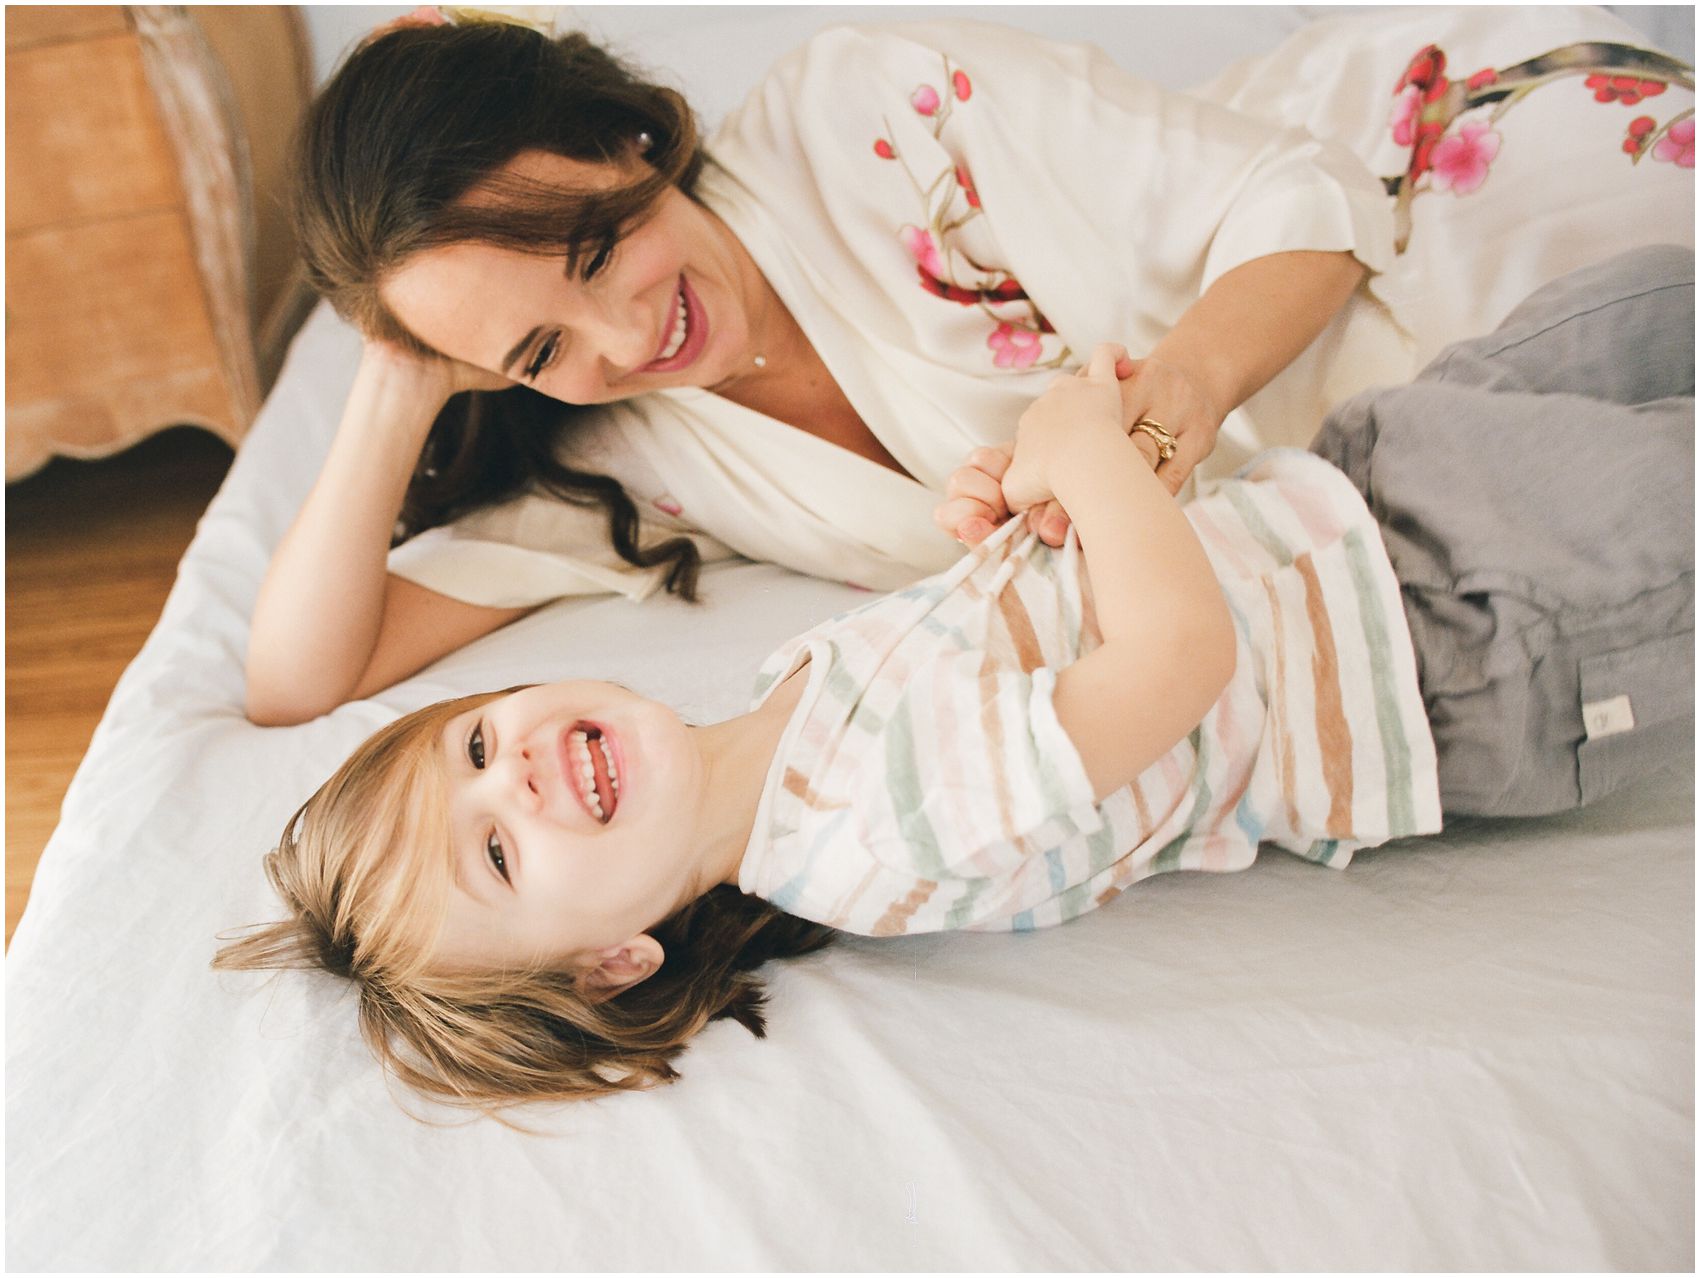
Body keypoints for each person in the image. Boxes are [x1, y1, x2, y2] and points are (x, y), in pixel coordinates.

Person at [215, 247, 1695, 1118]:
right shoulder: (877, 830)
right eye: (496, 853)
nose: (517, 776)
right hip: (1466, 637)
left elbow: (1051, 628)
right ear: (616, 962)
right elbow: (1179, 663)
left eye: (474, 747)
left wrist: (1024, 513)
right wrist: (1088, 456)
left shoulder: (786, 703)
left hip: (1362, 493)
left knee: (1645, 302)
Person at [244, 7, 1694, 726]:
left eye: (590, 249)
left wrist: (1171, 406)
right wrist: (403, 359)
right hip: (1386, 511)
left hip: (1409, 228)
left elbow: (1301, 206)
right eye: (540, 348)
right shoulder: (620, 456)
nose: (625, 341)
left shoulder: (869, 107)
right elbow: (301, 679)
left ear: (622, 136)